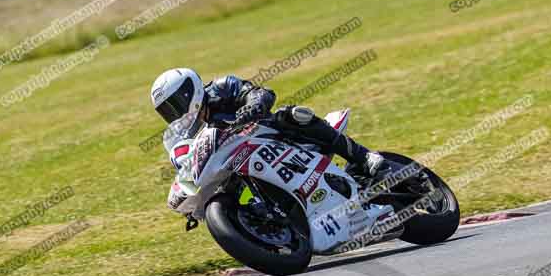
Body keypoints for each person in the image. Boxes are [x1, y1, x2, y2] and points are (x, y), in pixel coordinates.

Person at [151, 68, 388, 211]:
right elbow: (185, 161)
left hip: (268, 136)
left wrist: (253, 107)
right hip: (233, 165)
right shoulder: (182, 135)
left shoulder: (221, 88)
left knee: (292, 115)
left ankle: (363, 157)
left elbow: (260, 93)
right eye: (168, 111)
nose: (175, 113)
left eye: (176, 105)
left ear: (189, 92)